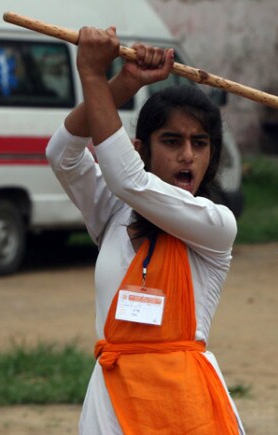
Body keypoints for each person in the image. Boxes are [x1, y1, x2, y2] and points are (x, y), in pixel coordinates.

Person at [46, 27, 244, 434]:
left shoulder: (215, 224)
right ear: (142, 149)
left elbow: (127, 178)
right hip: (111, 406)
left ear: (213, 154)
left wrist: (92, 74)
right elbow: (62, 154)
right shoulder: (115, 210)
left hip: (186, 408)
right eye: (171, 141)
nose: (187, 155)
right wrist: (123, 83)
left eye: (200, 143)